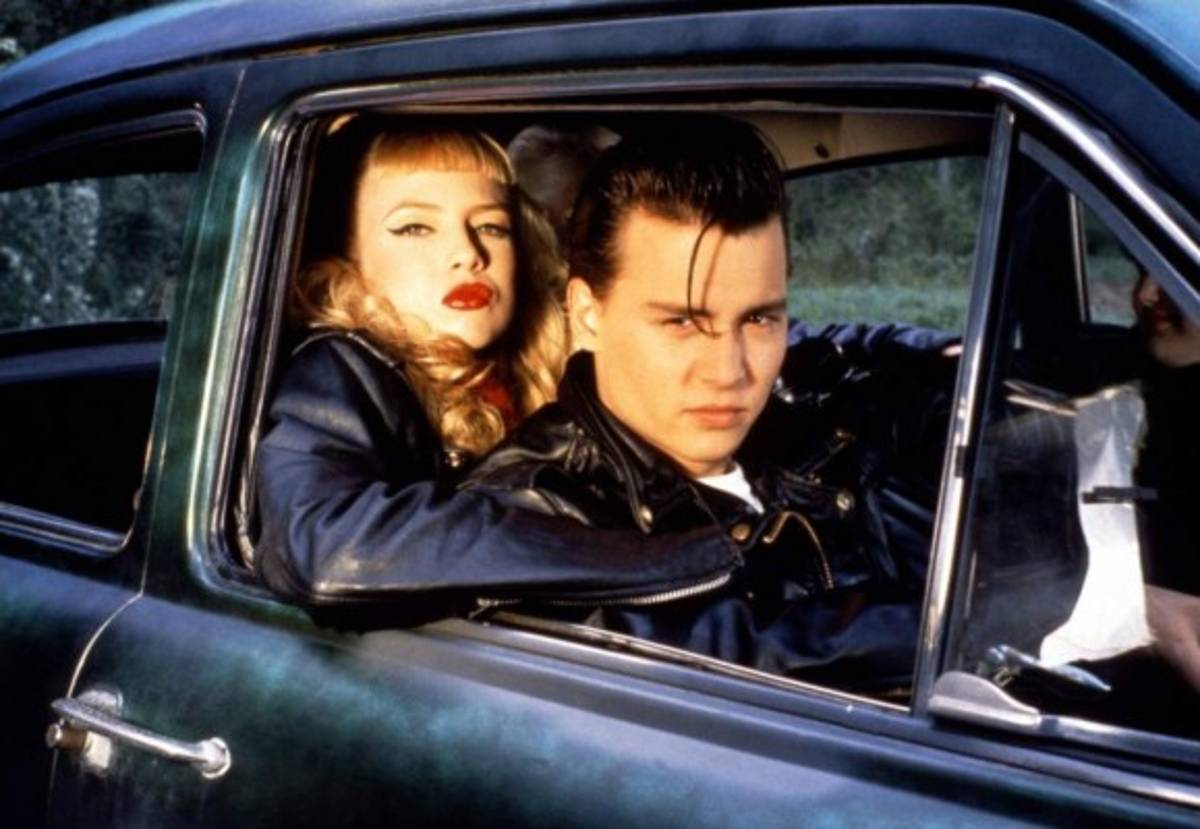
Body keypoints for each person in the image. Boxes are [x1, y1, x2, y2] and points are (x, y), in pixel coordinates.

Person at [465, 117, 953, 690]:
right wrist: (948, 633)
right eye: (681, 323)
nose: (728, 372)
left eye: (758, 319)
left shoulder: (810, 425)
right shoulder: (524, 515)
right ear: (588, 314)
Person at [254, 117, 740, 615]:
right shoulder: (339, 369)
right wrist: (666, 562)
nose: (468, 254)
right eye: (415, 228)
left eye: (491, 226)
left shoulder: (548, 373)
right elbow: (324, 546)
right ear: (350, 255)